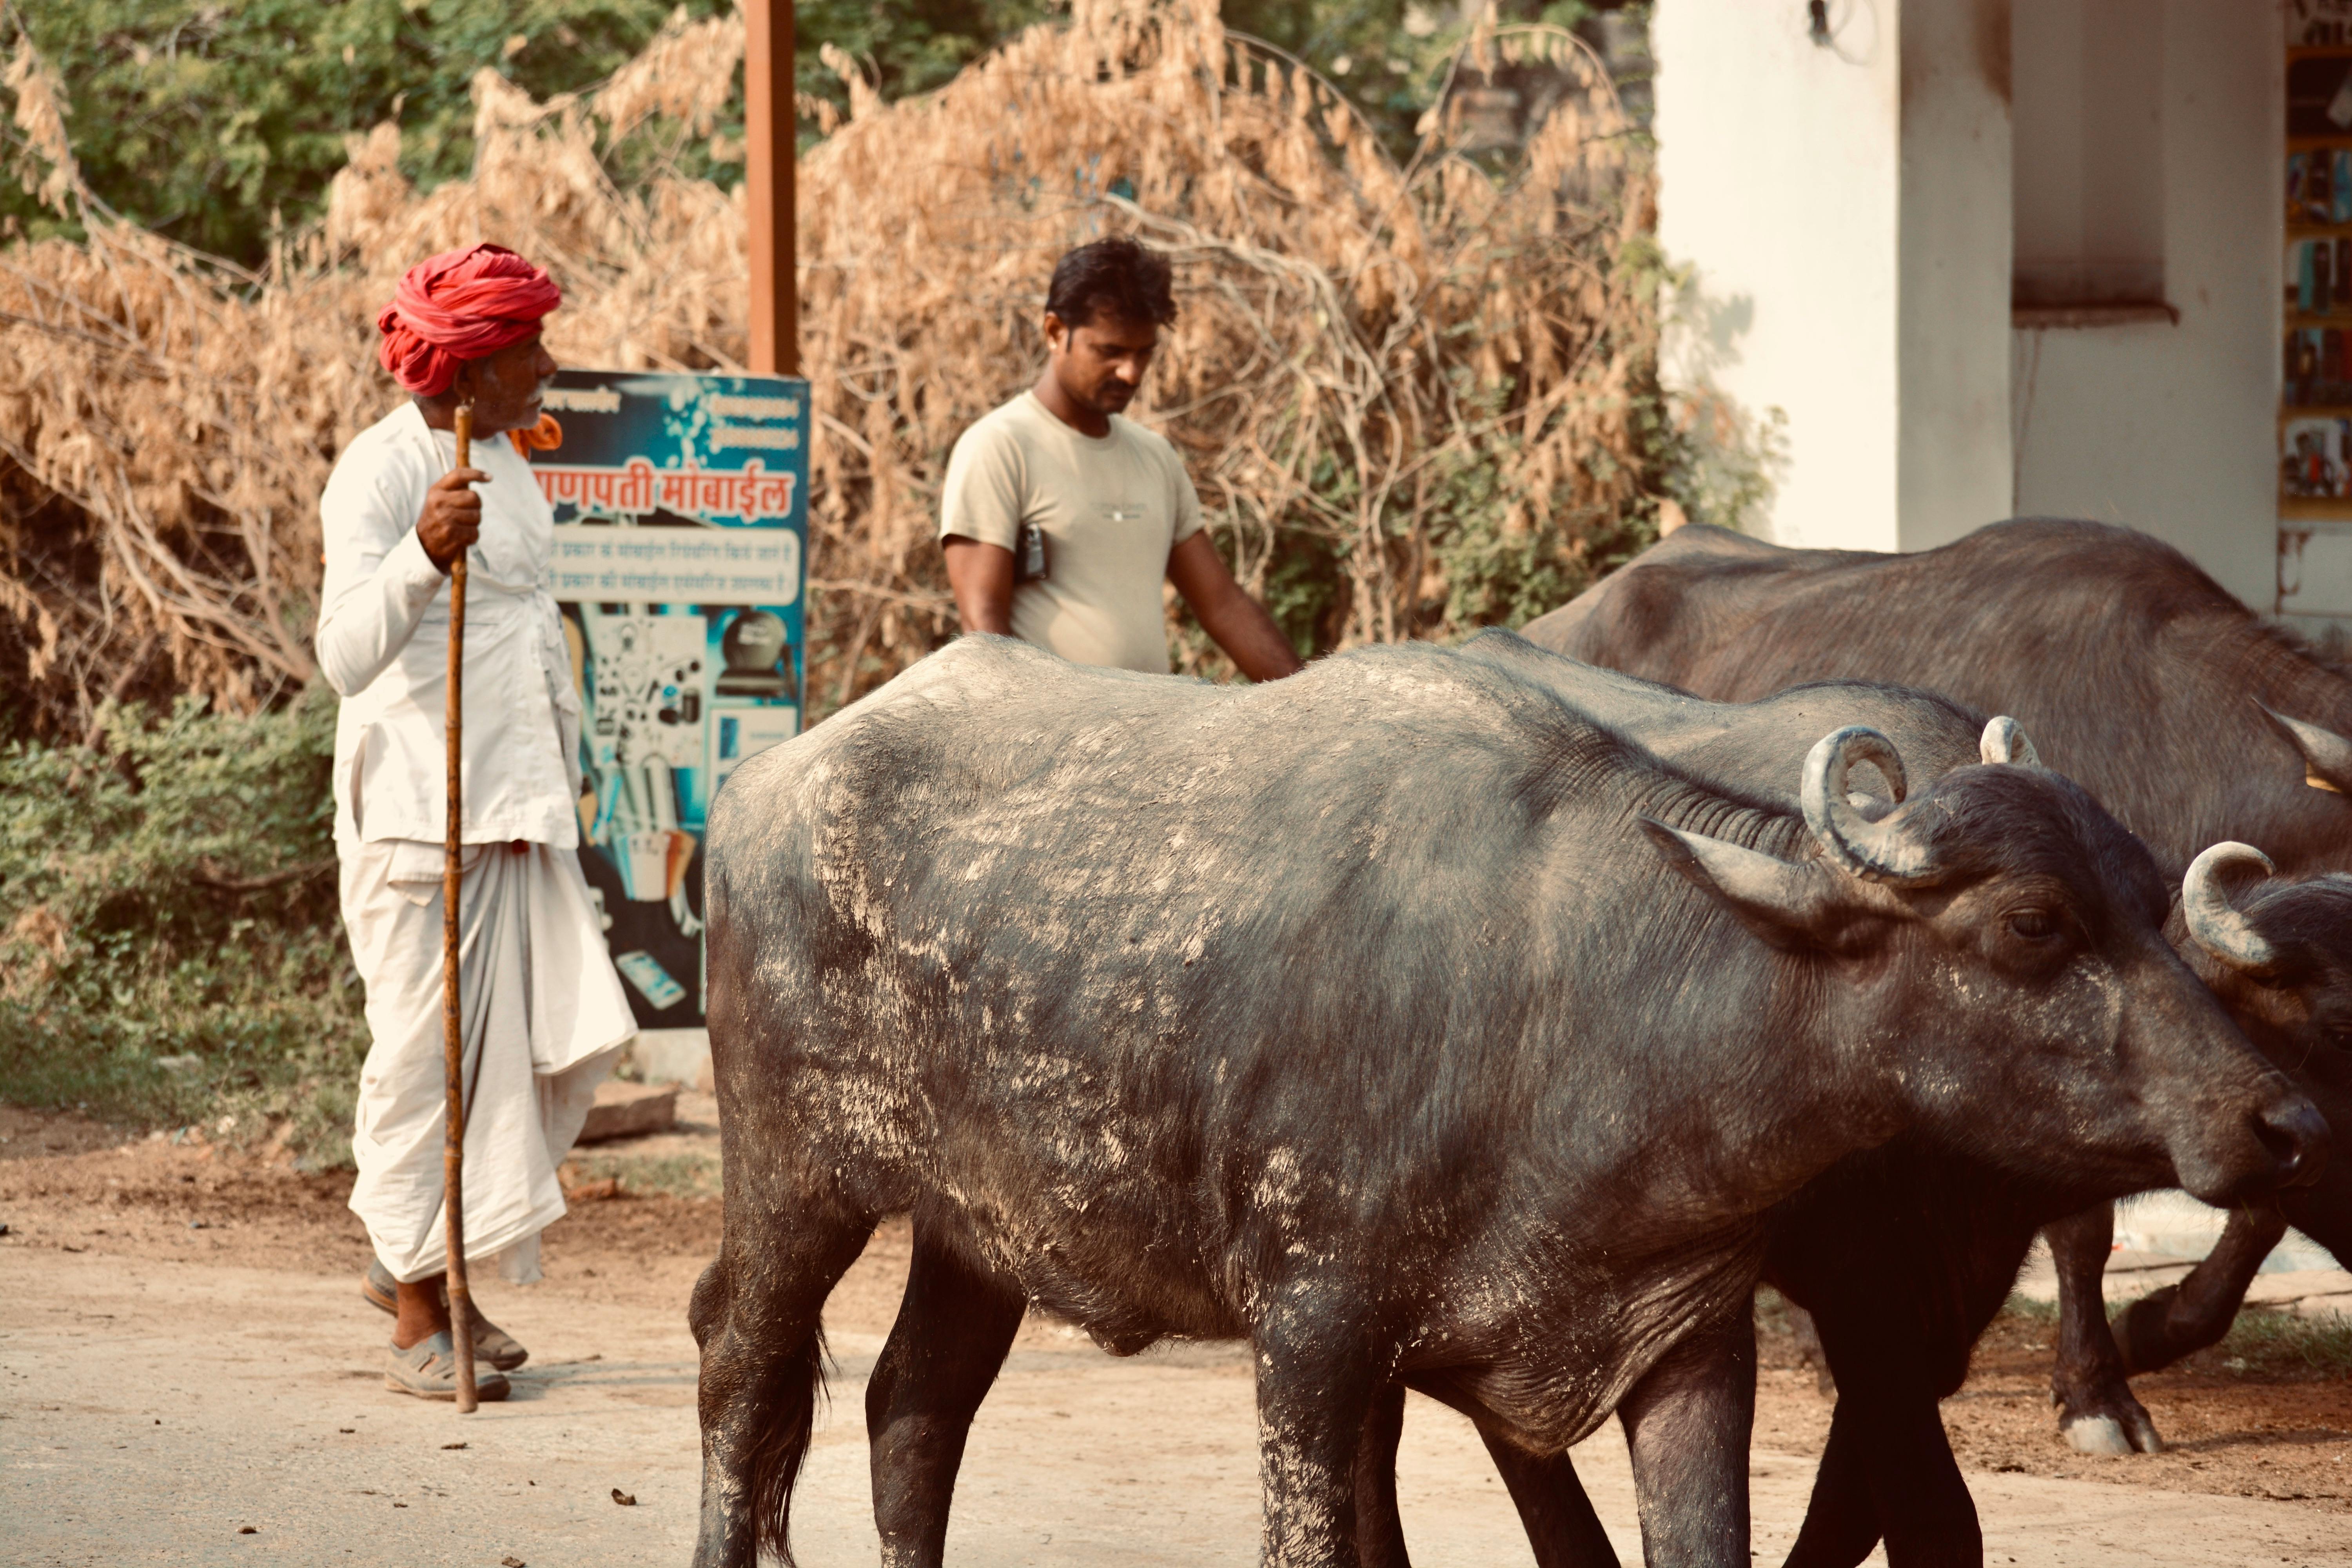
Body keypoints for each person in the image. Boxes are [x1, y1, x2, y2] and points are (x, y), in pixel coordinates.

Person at [316, 243, 637, 1401]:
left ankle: (437, 1271)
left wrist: (573, 778)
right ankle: (416, 1313)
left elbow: (522, 637)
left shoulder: (505, 457)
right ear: (464, 374)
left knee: (564, 1039)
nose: (547, 367)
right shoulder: (381, 472)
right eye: (524, 353)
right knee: (426, 1065)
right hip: (418, 818)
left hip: (517, 810)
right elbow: (346, 654)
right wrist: (419, 555)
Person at [939, 237, 1304, 681]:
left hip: (1149, 740)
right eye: (1110, 352)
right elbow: (984, 630)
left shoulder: (1155, 457)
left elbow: (1224, 605)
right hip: (1052, 742)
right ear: (1055, 332)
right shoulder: (999, 448)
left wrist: (1310, 707)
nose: (1131, 373)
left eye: (1143, 352)